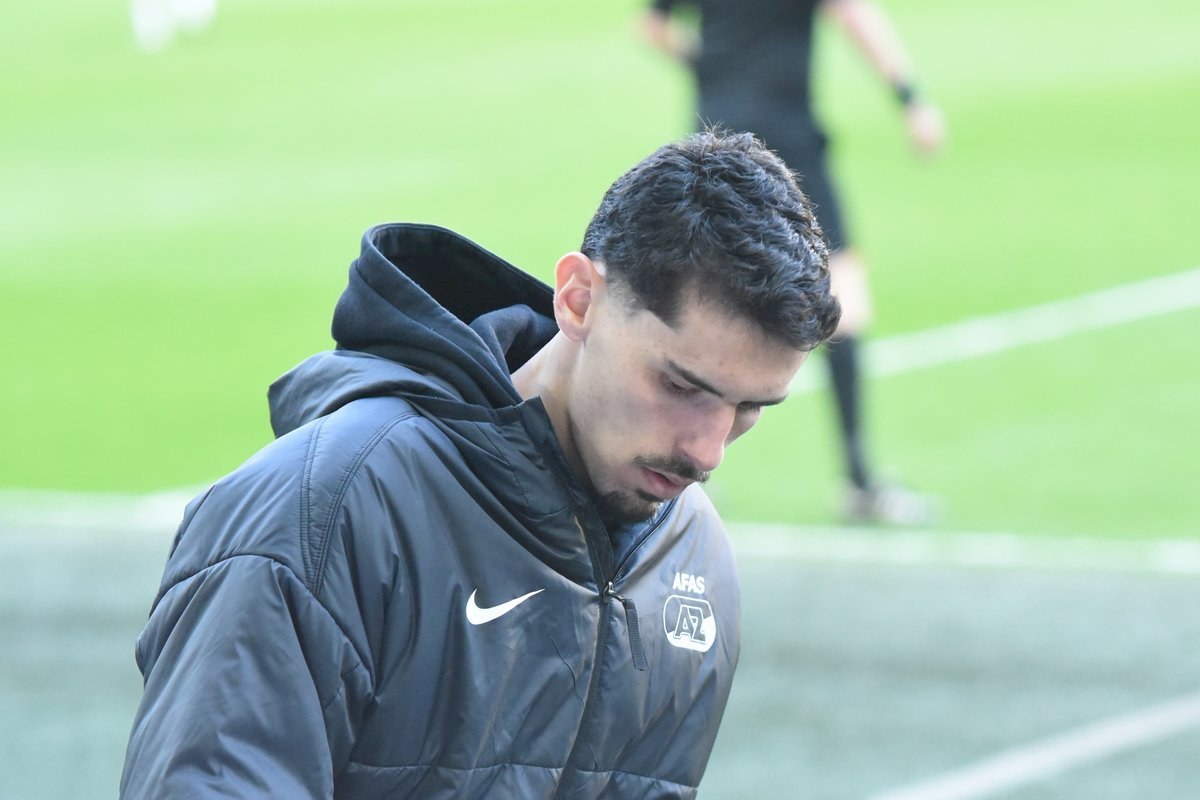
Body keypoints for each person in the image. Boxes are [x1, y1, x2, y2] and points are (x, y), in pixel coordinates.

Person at [119, 129, 841, 799]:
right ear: (578, 300)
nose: (708, 452)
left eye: (751, 408)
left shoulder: (692, 555)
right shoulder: (323, 514)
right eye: (681, 386)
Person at [643, 0, 946, 525]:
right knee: (844, 300)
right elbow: (853, 14)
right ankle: (859, 480)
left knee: (698, 304)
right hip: (788, 140)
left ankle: (671, 464)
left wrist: (714, 65)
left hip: (714, 143)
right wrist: (910, 99)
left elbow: (653, 28)